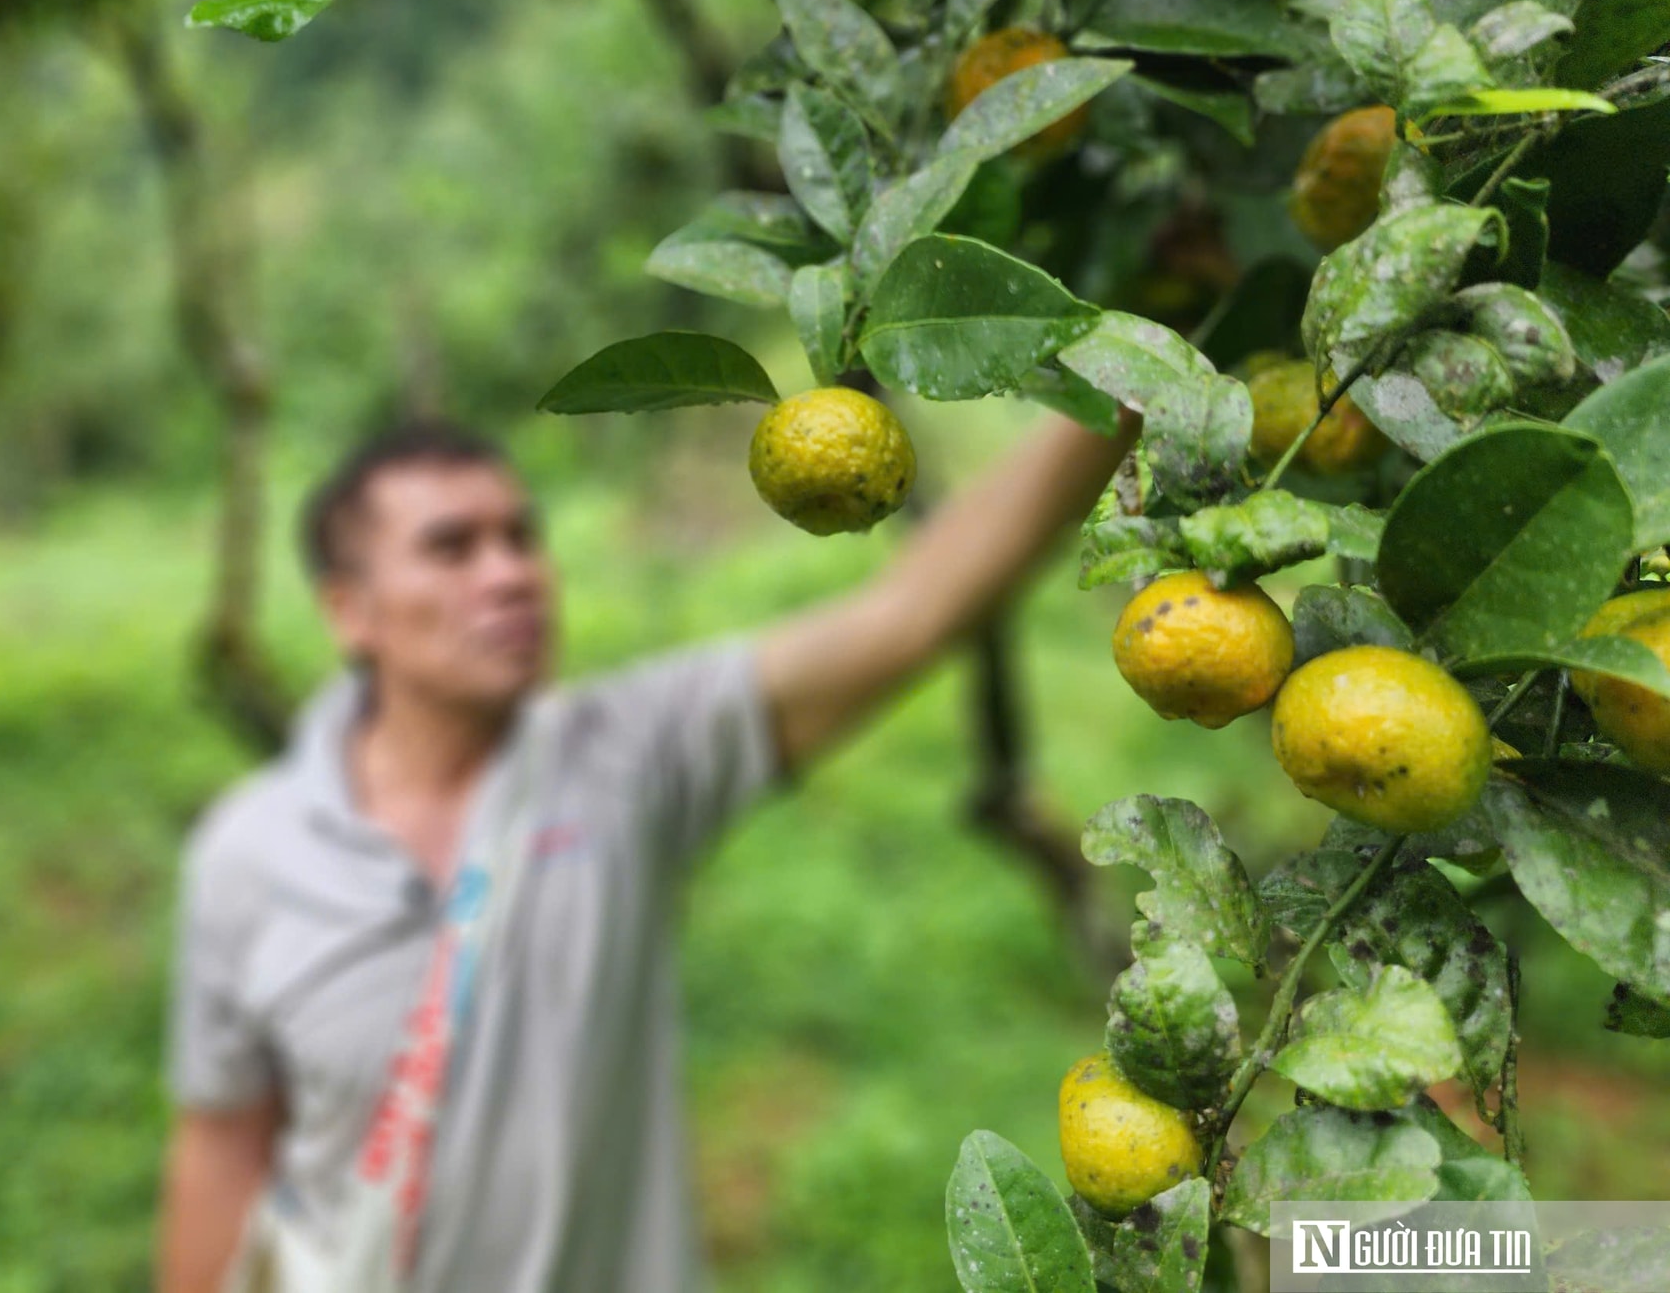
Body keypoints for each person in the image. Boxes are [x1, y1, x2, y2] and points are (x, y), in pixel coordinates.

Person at [157, 405, 1138, 1293]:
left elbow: (911, 613)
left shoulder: (624, 754)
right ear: (349, 609)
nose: (510, 574)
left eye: (520, 537)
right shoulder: (249, 853)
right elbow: (222, 1147)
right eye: (450, 548)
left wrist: (1130, 372)